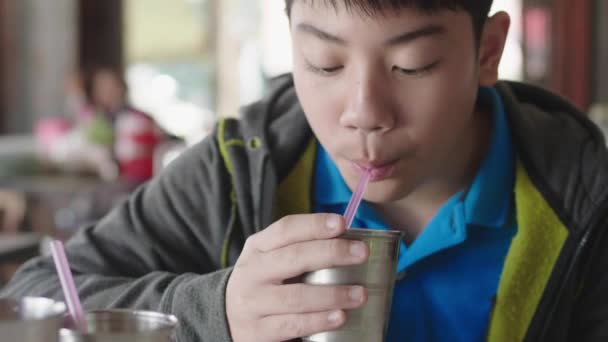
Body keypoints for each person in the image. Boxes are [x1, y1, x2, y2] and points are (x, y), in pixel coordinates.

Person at [1, 1, 607, 341]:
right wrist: (216, 312)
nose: (364, 114)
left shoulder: (585, 202)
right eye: (323, 63)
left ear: (487, 51)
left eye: (413, 65)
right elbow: (35, 296)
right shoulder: (239, 169)